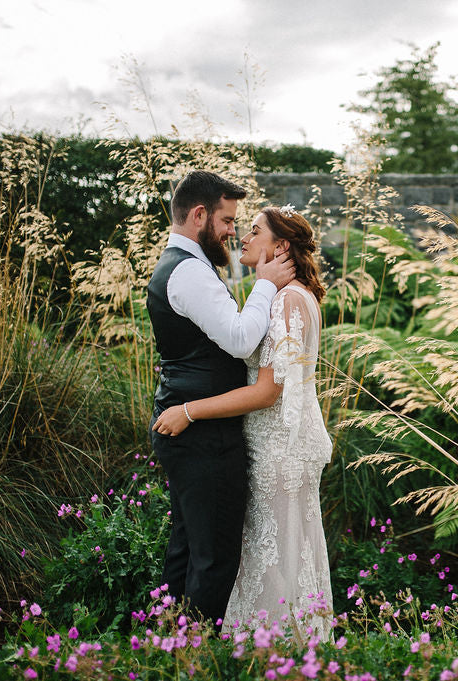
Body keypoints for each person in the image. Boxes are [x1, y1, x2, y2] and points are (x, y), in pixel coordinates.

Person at [153, 204, 333, 638]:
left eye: (255, 231)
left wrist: (189, 410)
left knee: (273, 559)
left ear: (280, 246)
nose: (244, 238)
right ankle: (284, 650)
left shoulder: (289, 301)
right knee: (279, 555)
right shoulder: (288, 295)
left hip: (278, 451)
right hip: (275, 446)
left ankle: (272, 651)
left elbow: (269, 391)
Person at [146, 171, 295, 626]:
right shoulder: (188, 270)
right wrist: (266, 282)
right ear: (198, 215)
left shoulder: (187, 265)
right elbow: (239, 340)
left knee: (189, 549)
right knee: (214, 559)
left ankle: (165, 647)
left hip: (197, 430)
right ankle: (193, 658)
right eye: (228, 220)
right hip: (202, 435)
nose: (233, 230)